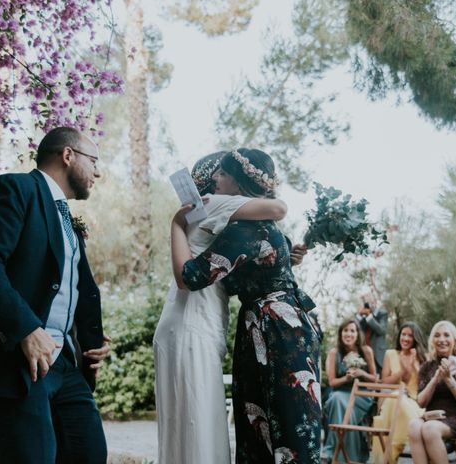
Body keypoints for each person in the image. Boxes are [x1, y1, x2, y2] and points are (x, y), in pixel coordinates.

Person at [0, 127, 111, 463]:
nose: (98, 171)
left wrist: (84, 339)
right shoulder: (16, 189)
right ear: (68, 156)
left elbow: (61, 288)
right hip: (14, 362)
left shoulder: (66, 218)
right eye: (93, 161)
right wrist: (24, 328)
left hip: (64, 364)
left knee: (89, 453)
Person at [171, 148, 321, 463]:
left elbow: (191, 276)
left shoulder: (243, 230)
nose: (215, 178)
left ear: (238, 182)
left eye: (223, 174)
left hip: (271, 330)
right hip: (290, 324)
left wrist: (175, 225)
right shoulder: (265, 225)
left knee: (271, 418)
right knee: (290, 416)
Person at [153, 151, 289, 464]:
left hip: (181, 319)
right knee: (200, 422)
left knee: (183, 423)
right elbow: (279, 207)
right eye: (217, 173)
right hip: (193, 322)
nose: (218, 179)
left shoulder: (201, 215)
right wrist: (174, 222)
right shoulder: (215, 204)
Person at [408, 320, 456, 464]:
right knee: (414, 425)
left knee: (430, 428)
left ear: (454, 340)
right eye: (437, 336)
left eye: (446, 335)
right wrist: (435, 380)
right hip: (433, 416)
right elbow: (421, 402)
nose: (442, 340)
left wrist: (448, 379)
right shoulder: (427, 366)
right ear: (432, 341)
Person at [321, 319, 377, 463]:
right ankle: (346, 457)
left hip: (362, 395)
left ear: (358, 334)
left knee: (337, 402)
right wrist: (346, 378)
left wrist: (362, 373)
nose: (349, 334)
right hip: (341, 392)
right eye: (345, 330)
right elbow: (332, 382)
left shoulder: (366, 351)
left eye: (352, 331)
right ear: (341, 334)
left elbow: (374, 379)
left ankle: (330, 450)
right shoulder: (334, 353)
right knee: (337, 401)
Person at [373, 321, 427, 462]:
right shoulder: (390, 354)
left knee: (399, 399)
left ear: (416, 339)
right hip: (392, 399)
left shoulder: (422, 357)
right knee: (395, 397)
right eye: (403, 334)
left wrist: (412, 366)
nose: (406, 338)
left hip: (414, 403)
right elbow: (384, 382)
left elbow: (419, 384)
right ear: (399, 336)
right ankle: (388, 457)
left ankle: (389, 457)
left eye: (410, 335)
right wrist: (403, 370)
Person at [355, 291, 388, 374]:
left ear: (375, 301)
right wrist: (359, 315)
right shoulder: (363, 317)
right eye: (365, 303)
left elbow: (381, 330)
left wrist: (369, 315)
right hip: (364, 354)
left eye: (370, 301)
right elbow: (356, 328)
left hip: (378, 355)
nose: (368, 304)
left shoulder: (382, 313)